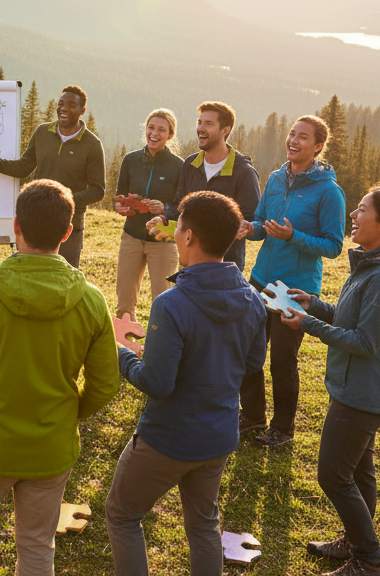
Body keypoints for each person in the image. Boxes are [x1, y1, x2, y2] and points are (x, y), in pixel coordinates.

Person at [0, 179, 120, 576]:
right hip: (52, 446)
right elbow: (106, 383)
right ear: (67, 231)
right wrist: (71, 415)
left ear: (15, 225)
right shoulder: (91, 300)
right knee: (38, 544)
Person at [105, 191, 267, 576]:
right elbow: (252, 363)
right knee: (204, 523)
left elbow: (158, 383)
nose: (175, 232)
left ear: (189, 236)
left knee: (122, 513)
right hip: (220, 436)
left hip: (168, 438)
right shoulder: (254, 300)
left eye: (177, 225)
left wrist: (121, 353)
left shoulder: (171, 303)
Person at [278, 186, 380, 576]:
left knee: (332, 475)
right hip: (353, 389)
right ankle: (354, 543)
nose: (353, 216)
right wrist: (315, 304)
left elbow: (365, 341)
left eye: (361, 210)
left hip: (362, 395)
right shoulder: (371, 267)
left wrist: (307, 324)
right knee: (359, 472)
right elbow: (350, 320)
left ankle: (369, 561)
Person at [237, 116, 345, 448]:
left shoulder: (329, 191)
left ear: (317, 146)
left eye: (303, 137)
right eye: (291, 134)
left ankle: (282, 428)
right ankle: (252, 414)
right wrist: (248, 229)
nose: (293, 141)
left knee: (282, 359)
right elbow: (260, 222)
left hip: (295, 288)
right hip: (260, 281)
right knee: (249, 351)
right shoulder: (274, 178)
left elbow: (333, 246)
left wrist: (293, 236)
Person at [0, 85, 105, 268]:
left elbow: (97, 190)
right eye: (61, 104)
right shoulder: (42, 132)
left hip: (69, 224)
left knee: (64, 279)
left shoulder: (92, 144)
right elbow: (23, 168)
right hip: (36, 219)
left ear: (82, 111)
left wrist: (64, 201)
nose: (63, 109)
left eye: (71, 105)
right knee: (30, 273)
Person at [146, 101, 260, 274]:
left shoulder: (244, 172)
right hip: (190, 264)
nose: (201, 128)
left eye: (209, 124)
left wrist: (246, 227)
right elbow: (180, 205)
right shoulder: (191, 164)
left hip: (225, 267)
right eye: (199, 123)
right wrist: (164, 218)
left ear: (225, 130)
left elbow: (252, 220)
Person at [113, 109, 184, 321]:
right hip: (131, 237)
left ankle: (158, 352)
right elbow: (119, 195)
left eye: (161, 130)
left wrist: (164, 209)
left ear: (170, 135)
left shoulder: (179, 166)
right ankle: (126, 351)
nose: (154, 133)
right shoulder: (130, 160)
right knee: (124, 305)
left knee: (164, 304)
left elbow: (182, 205)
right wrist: (121, 206)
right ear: (145, 129)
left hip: (163, 240)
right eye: (151, 127)